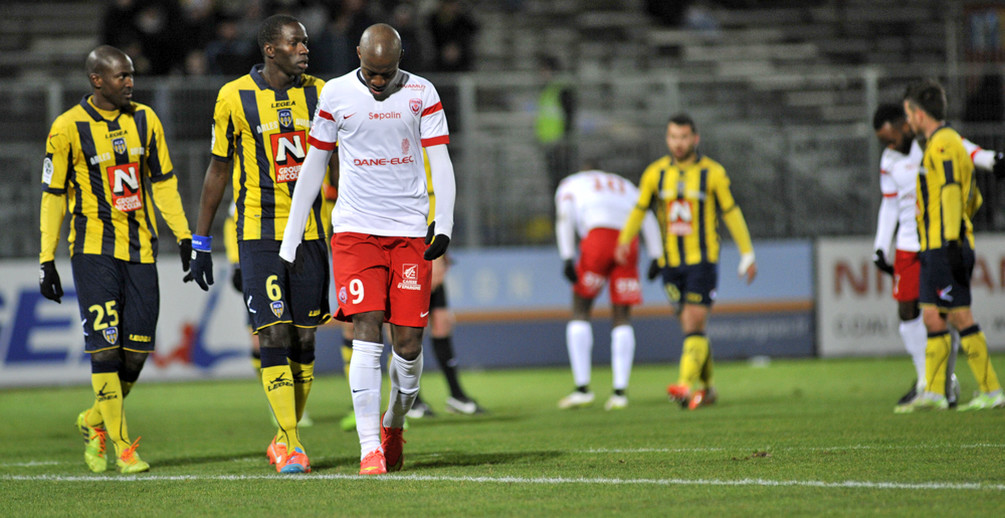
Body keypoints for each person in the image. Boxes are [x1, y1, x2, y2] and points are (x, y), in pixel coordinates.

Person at [280, 23, 456, 475]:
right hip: (355, 231)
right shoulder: (336, 94)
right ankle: (369, 448)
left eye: (387, 73)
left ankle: (394, 422)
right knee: (365, 328)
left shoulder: (423, 93)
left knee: (410, 344)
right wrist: (292, 237)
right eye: (372, 72)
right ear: (357, 53)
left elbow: (441, 160)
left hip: (409, 232)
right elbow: (315, 163)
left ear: (400, 61)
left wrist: (445, 224)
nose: (379, 82)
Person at [186, 14, 337, 474]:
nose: (304, 49)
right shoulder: (233, 97)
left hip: (311, 233)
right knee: (272, 331)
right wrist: (201, 239)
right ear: (270, 49)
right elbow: (217, 170)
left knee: (305, 339)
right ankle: (291, 443)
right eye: (295, 43)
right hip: (259, 231)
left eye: (306, 43)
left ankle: (281, 437)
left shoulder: (323, 92)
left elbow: (342, 164)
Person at [40, 45, 192, 473]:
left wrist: (183, 236)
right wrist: (45, 257)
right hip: (92, 251)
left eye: (131, 75)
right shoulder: (67, 127)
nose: (130, 82)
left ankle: (94, 421)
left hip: (142, 251)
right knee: (104, 349)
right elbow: (52, 196)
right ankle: (124, 447)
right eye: (121, 76)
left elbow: (163, 182)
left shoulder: (146, 120)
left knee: (135, 355)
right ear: (97, 80)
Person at [615, 113, 756, 411]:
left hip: (702, 261)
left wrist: (747, 253)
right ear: (667, 139)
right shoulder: (655, 173)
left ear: (695, 138)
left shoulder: (713, 173)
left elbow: (731, 212)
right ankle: (708, 388)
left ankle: (683, 385)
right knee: (692, 328)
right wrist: (624, 241)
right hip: (671, 265)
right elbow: (640, 210)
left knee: (693, 322)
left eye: (683, 137)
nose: (678, 143)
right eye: (673, 137)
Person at [871, 103, 1003, 412]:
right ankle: (930, 388)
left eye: (890, 137)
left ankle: (982, 388)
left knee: (954, 313)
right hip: (912, 242)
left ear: (908, 122)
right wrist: (880, 245)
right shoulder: (890, 159)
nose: (888, 145)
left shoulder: (936, 142)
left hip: (943, 240)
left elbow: (969, 152)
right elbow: (889, 205)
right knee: (924, 313)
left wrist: (991, 160)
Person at [554, 167, 663, 411]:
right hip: (627, 242)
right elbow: (646, 214)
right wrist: (657, 255)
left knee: (580, 309)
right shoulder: (625, 183)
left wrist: (567, 256)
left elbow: (565, 215)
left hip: (598, 237)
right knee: (622, 316)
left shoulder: (570, 182)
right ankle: (619, 393)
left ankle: (582, 389)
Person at [409, 255, 486, 417]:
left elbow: (435, 229)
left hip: (430, 256)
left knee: (442, 324)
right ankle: (411, 399)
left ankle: (456, 395)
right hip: (409, 263)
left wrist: (441, 255)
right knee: (409, 332)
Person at [536, 54, 576, 197]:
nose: (541, 73)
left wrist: (564, 141)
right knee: (553, 186)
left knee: (562, 185)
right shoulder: (547, 90)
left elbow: (569, 117)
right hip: (549, 144)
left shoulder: (562, 90)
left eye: (544, 69)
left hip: (560, 146)